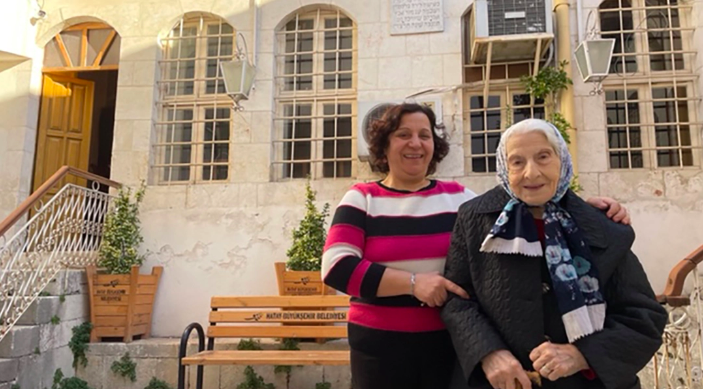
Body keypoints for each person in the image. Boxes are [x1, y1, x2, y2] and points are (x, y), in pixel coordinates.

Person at [321, 105, 631, 389]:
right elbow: (337, 267)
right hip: (381, 347)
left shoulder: (459, 198)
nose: (415, 143)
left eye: (424, 135)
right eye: (404, 135)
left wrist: (579, 210)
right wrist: (415, 284)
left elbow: (517, 207)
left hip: (447, 345)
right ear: (384, 145)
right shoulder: (362, 198)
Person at [441, 118, 667, 389]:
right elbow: (457, 300)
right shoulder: (474, 219)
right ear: (503, 166)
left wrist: (584, 355)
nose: (531, 173)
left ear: (563, 160)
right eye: (517, 162)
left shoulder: (603, 227)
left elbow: (644, 317)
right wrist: (488, 354)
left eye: (543, 157)